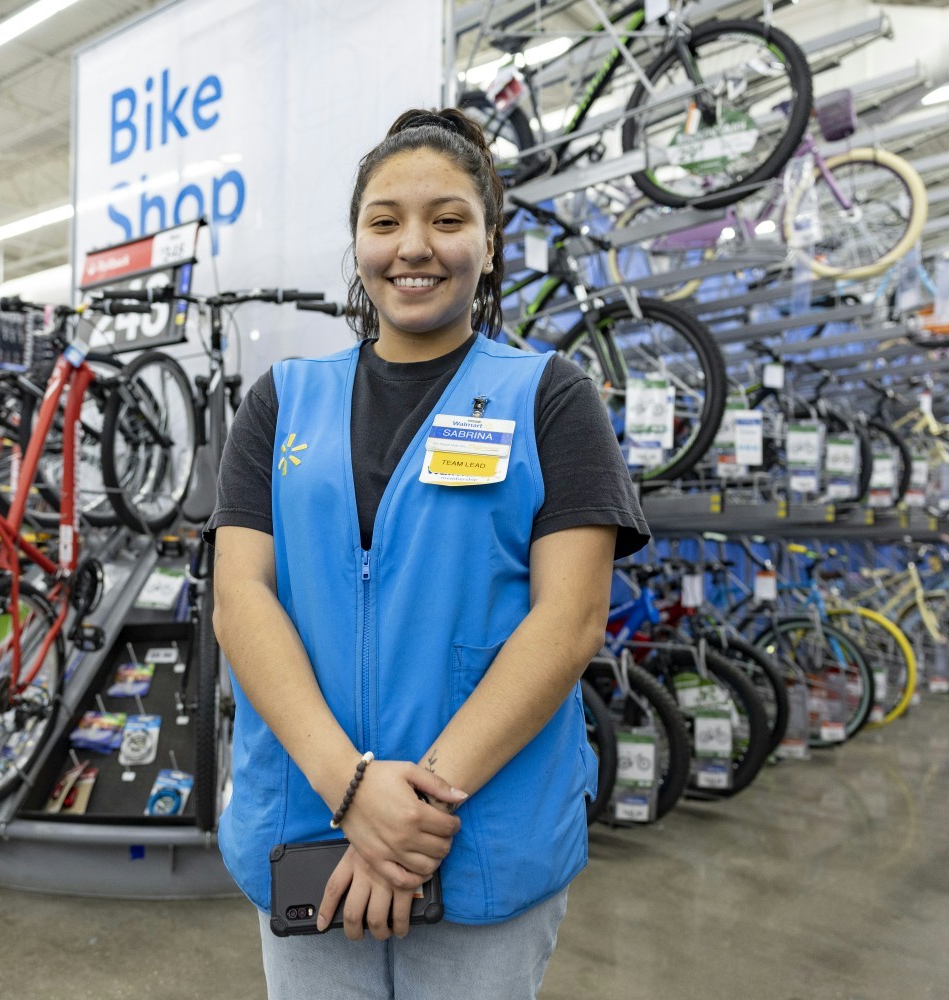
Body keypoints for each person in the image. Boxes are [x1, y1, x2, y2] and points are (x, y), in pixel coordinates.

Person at [208, 107, 648, 999]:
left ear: (489, 244)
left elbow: (568, 623)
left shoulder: (548, 400)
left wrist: (410, 812)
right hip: (310, 829)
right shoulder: (281, 403)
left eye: (448, 220)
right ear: (358, 244)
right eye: (385, 221)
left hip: (478, 840)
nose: (414, 246)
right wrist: (351, 791)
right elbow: (240, 599)